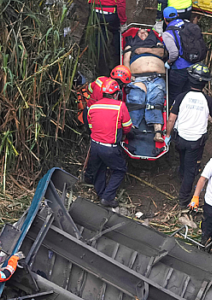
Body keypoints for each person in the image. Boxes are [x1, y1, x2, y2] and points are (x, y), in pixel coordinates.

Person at [163, 64, 212, 208]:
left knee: (182, 158)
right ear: (205, 83)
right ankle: (183, 200)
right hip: (196, 141)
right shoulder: (208, 101)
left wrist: (168, 135)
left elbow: (171, 119)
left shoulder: (181, 97)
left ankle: (181, 176)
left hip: (180, 138)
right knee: (191, 170)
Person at [85, 78, 133, 208]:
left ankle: (101, 194)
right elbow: (127, 126)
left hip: (94, 145)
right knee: (120, 169)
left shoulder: (93, 106)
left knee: (99, 169)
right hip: (109, 147)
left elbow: (91, 126)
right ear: (116, 94)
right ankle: (107, 197)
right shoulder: (120, 106)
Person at [121, 33, 166, 151]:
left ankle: (157, 132)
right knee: (136, 100)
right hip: (138, 77)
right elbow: (125, 60)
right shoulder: (131, 43)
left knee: (155, 102)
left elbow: (162, 53)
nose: (143, 32)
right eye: (140, 31)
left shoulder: (156, 42)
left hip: (157, 77)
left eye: (146, 31)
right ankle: (130, 129)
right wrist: (128, 75)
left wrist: (143, 50)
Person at [161, 8, 203, 102]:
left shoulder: (168, 34)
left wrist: (168, 62)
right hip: (194, 66)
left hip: (180, 69)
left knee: (175, 95)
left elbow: (174, 54)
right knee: (189, 94)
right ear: (178, 15)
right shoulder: (187, 24)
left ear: (165, 19)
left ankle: (174, 115)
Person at [86, 0, 126, 76]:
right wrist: (123, 21)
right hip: (110, 14)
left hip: (95, 12)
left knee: (99, 39)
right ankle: (117, 63)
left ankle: (102, 68)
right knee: (116, 36)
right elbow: (121, 3)